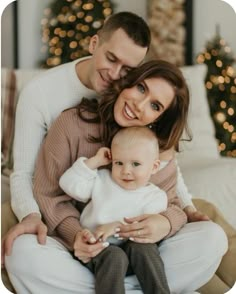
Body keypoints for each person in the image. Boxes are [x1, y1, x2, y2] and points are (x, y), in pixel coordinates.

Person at [5, 60, 228, 294]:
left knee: (213, 238)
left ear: (159, 118)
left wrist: (165, 222)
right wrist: (77, 236)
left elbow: (172, 203)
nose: (139, 105)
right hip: (88, 251)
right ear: (127, 82)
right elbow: (52, 194)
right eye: (141, 88)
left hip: (143, 253)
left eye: (155, 105)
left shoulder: (156, 150)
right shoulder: (72, 124)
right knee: (21, 254)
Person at [2, 11, 151, 260]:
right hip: (50, 200)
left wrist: (185, 207)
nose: (115, 74)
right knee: (18, 250)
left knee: (209, 232)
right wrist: (31, 215)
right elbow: (23, 173)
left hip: (107, 208)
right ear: (94, 44)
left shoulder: (129, 97)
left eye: (127, 69)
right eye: (111, 58)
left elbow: (154, 148)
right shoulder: (39, 92)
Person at [59, 126, 170, 294]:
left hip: (133, 255)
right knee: (114, 256)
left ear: (154, 167)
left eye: (135, 164)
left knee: (144, 248)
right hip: (96, 252)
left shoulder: (155, 197)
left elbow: (144, 229)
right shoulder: (102, 180)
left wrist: (116, 227)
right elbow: (68, 184)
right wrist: (95, 162)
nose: (126, 171)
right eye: (119, 163)